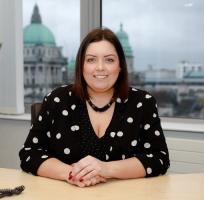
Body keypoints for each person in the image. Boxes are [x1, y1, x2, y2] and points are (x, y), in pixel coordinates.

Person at [19, 27, 170, 187]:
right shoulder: (57, 99)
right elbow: (30, 154)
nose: (100, 67)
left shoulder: (143, 102)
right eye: (91, 60)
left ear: (120, 66)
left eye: (109, 60)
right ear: (81, 66)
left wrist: (106, 168)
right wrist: (72, 174)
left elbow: (158, 158)